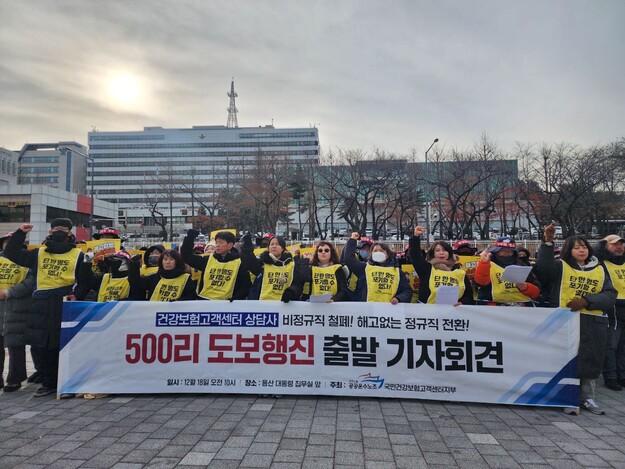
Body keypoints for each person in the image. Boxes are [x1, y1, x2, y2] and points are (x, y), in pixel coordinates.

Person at [536, 224, 616, 415]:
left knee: (590, 360)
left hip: (592, 321)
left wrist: (587, 301)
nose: (582, 250)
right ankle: (567, 397)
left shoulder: (599, 269)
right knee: (565, 360)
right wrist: (547, 242)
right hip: (564, 321)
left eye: (584, 247)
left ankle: (587, 398)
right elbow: (542, 269)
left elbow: (610, 294)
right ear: (568, 250)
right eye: (576, 247)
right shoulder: (560, 266)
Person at [3, 219, 86, 397]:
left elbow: (86, 279)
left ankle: (63, 381)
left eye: (63, 229)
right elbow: (11, 253)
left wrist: (77, 294)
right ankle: (48, 382)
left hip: (64, 302)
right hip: (40, 302)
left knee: (61, 344)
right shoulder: (38, 254)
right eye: (56, 228)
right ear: (50, 232)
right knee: (41, 345)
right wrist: (20, 233)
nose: (59, 231)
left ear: (70, 234)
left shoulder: (79, 254)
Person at [0, 232, 34, 392]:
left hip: (17, 307)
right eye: (6, 241)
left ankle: (14, 379)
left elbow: (31, 283)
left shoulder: (27, 261)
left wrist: (9, 292)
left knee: (15, 345)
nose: (8, 244)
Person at [181, 230, 254, 300]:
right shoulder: (207, 260)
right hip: (204, 300)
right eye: (216, 242)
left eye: (221, 242)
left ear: (230, 245)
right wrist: (189, 238)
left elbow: (245, 285)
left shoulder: (240, 262)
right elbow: (187, 257)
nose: (217, 245)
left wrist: (236, 298)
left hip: (227, 304)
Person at [409, 226, 474, 305]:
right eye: (437, 250)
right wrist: (415, 237)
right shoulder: (426, 269)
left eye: (444, 250)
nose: (441, 253)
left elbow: (468, 295)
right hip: (427, 313)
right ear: (433, 254)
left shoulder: (459, 272)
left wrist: (462, 303)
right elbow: (415, 256)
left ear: (449, 253)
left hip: (452, 313)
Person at [342, 232, 412, 304]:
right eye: (375, 251)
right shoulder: (365, 269)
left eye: (381, 251)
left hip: (390, 310)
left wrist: (398, 298)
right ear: (371, 254)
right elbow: (349, 260)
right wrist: (352, 240)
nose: (378, 253)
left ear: (387, 254)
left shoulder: (397, 272)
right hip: (367, 309)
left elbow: (407, 291)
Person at [595, 234, 625, 391]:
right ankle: (611, 377)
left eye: (621, 244)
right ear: (605, 246)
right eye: (614, 244)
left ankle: (622, 376)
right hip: (613, 307)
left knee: (622, 347)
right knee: (611, 345)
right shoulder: (601, 264)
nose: (619, 247)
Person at [474, 236, 540, 306]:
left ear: (514, 253)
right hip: (492, 308)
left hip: (520, 308)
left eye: (509, 251)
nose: (506, 253)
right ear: (496, 251)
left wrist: (526, 288)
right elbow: (480, 282)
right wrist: (484, 264)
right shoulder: (487, 264)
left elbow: (536, 293)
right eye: (502, 251)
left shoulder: (523, 266)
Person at [248, 236, 304, 301]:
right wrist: (246, 249)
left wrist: (291, 292)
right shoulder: (261, 263)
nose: (274, 246)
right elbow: (249, 264)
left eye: (277, 244)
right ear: (268, 247)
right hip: (262, 304)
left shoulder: (292, 265)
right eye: (272, 244)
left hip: (283, 305)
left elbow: (298, 284)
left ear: (283, 248)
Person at [129, 249, 197, 301]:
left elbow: (190, 297)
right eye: (165, 259)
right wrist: (133, 266)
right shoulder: (156, 277)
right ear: (161, 262)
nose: (168, 262)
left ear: (177, 261)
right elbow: (136, 283)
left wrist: (177, 302)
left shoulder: (186, 278)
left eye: (171, 259)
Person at [77, 250, 141, 302]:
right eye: (111, 260)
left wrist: (116, 303)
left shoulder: (132, 280)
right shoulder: (105, 277)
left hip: (120, 315)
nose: (112, 262)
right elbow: (86, 281)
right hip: (101, 314)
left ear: (126, 263)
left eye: (115, 260)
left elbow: (136, 299)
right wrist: (86, 263)